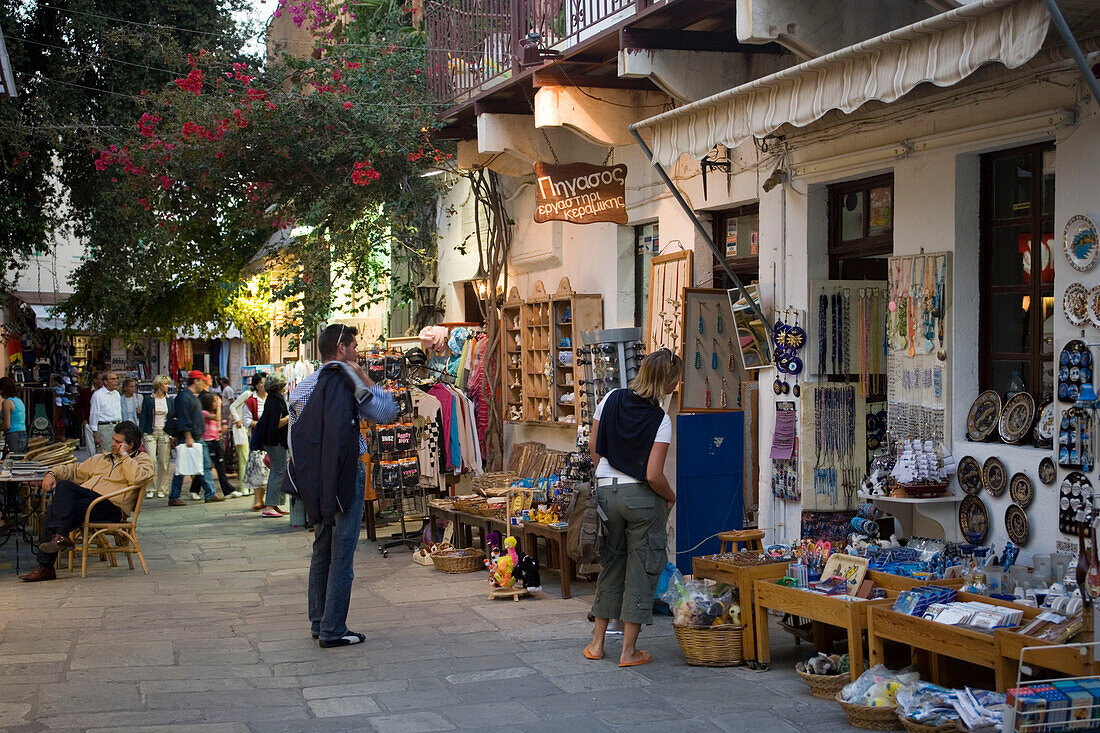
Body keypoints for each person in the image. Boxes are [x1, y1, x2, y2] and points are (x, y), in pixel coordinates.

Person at [289, 323, 397, 647]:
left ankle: (318, 621)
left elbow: (295, 437)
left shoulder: (303, 387)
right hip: (347, 473)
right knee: (343, 551)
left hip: (317, 478)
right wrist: (365, 378)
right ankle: (334, 629)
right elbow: (387, 412)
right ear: (341, 350)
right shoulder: (348, 382)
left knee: (321, 546)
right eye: (353, 347)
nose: (356, 352)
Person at [583, 348, 682, 668]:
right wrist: (671, 497)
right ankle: (628, 651)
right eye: (675, 382)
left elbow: (595, 448)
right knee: (641, 570)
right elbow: (653, 474)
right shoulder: (660, 419)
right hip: (640, 498)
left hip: (606, 494)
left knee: (612, 563)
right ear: (666, 383)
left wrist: (606, 477)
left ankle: (597, 644)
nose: (675, 388)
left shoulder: (610, 398)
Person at [18, 421, 154, 582]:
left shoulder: (142, 460)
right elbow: (73, 469)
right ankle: (59, 541)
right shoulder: (101, 458)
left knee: (56, 509)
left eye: (118, 442)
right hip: (89, 500)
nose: (112, 444)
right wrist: (51, 473)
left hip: (111, 506)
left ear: (130, 445)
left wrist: (124, 456)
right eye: (113, 440)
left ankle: (46, 566)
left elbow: (136, 477)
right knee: (63, 490)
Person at [167, 370, 224, 506]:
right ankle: (174, 496)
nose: (204, 384)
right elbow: (184, 417)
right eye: (202, 381)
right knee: (182, 468)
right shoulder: (184, 398)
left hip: (197, 436)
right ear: (196, 381)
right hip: (190, 437)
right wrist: (187, 436)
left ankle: (210, 493)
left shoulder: (192, 397)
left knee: (205, 465)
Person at [231, 373, 268, 508]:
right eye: (263, 382)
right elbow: (246, 421)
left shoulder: (271, 398)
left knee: (268, 470)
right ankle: (256, 499)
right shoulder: (250, 399)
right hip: (257, 438)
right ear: (257, 385)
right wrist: (262, 424)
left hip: (272, 439)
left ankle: (263, 499)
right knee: (258, 467)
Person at [254, 373, 289, 517]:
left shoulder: (273, 399)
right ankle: (270, 506)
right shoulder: (275, 401)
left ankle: (275, 504)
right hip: (275, 441)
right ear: (280, 385)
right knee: (278, 472)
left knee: (277, 471)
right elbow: (276, 423)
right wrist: (289, 417)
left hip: (274, 441)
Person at [138, 375, 174, 499]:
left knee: (163, 462)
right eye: (165, 384)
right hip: (150, 432)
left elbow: (172, 416)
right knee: (151, 460)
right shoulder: (149, 399)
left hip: (164, 432)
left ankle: (162, 488)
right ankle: (150, 488)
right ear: (159, 385)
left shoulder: (169, 400)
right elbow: (143, 417)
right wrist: (141, 433)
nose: (167, 386)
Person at [200, 391, 238, 498]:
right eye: (213, 402)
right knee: (208, 467)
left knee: (219, 466)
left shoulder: (211, 413)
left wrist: (220, 430)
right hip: (208, 442)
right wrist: (219, 406)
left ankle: (227, 490)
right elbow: (216, 418)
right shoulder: (204, 413)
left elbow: (217, 423)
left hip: (215, 441)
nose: (216, 404)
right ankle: (197, 490)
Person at [89, 371, 122, 454]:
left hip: (117, 426)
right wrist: (95, 435)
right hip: (105, 427)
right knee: (106, 453)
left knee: (117, 452)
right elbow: (94, 414)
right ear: (106, 381)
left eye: (116, 379)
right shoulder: (98, 395)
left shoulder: (117, 394)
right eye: (113, 379)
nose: (116, 381)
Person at [0, 376, 28, 455]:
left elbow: (7, 425)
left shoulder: (7, 403)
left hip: (13, 435)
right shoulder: (19, 401)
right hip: (23, 434)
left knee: (14, 461)